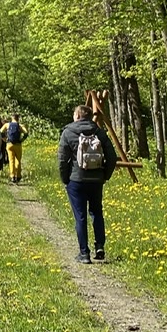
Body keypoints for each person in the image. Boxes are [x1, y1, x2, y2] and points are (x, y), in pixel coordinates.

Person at [58, 104, 118, 263]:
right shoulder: (99, 132)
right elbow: (112, 157)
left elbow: (63, 160)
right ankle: (100, 248)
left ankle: (84, 253)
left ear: (77, 115)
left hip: (76, 180)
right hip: (96, 180)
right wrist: (105, 176)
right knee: (97, 213)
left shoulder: (68, 132)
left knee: (81, 217)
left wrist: (65, 179)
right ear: (90, 117)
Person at [4, 113, 27, 184]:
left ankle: (12, 176)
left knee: (11, 160)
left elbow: (1, 131)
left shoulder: (7, 125)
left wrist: (4, 139)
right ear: (18, 118)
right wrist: (22, 140)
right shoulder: (20, 126)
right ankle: (18, 175)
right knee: (18, 160)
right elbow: (26, 133)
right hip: (18, 145)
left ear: (12, 118)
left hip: (9, 144)